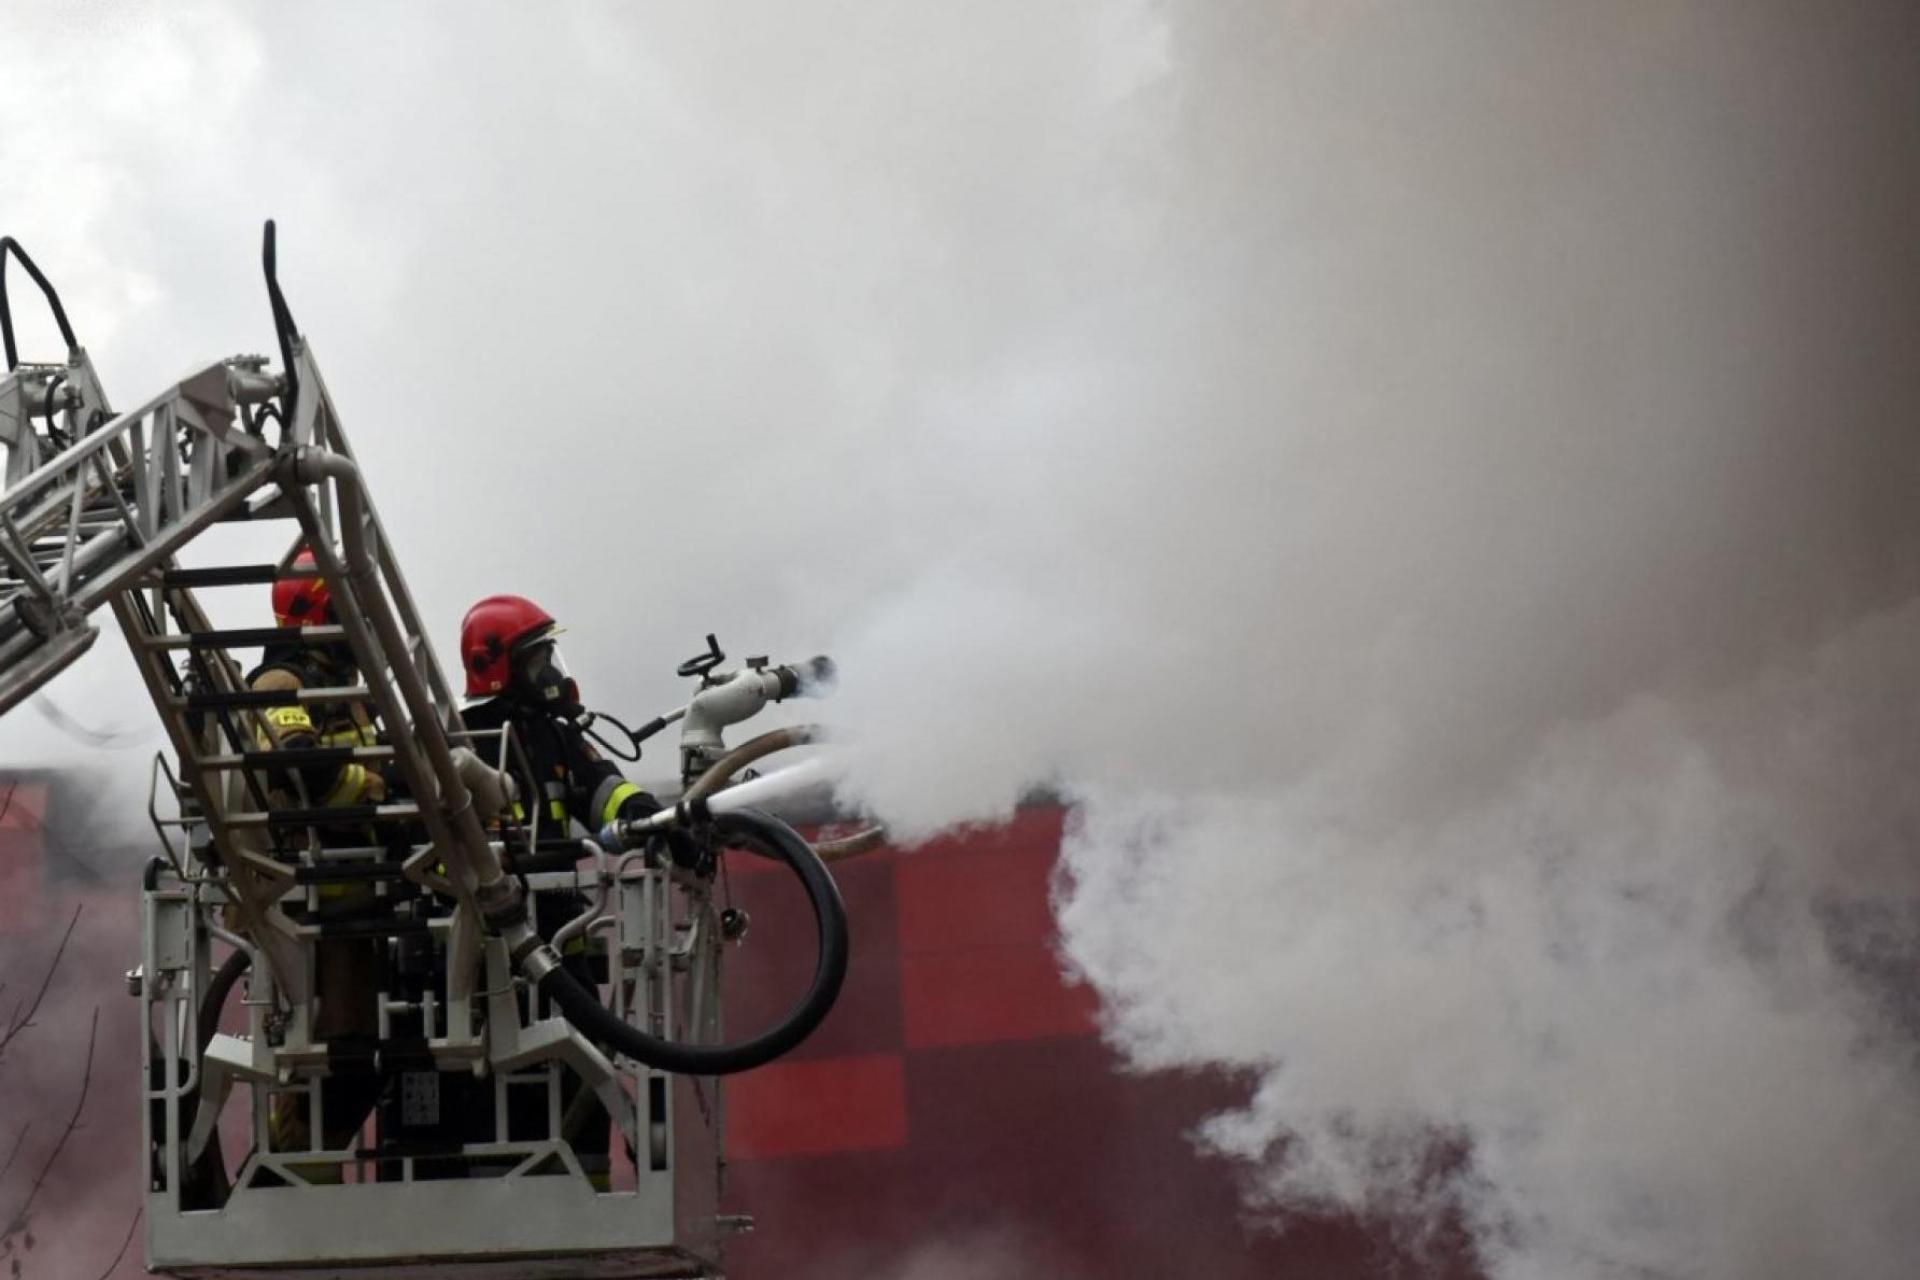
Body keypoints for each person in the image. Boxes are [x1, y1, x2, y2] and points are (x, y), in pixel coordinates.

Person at [456, 594, 667, 1187]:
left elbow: (603, 788)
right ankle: (499, 1198)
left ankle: (588, 1187)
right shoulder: (462, 738)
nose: (551, 671)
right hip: (490, 955)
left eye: (551, 655)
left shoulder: (555, 736)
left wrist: (652, 819)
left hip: (562, 938)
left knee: (584, 1064)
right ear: (495, 664)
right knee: (498, 1078)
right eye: (538, 659)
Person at [247, 548, 385, 1181]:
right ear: (318, 611)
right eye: (348, 607)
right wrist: (378, 786)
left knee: (366, 1058)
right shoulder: (283, 682)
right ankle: (292, 1170)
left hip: (358, 892)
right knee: (343, 1060)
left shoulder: (345, 688)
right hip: (320, 900)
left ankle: (306, 1168)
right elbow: (296, 763)